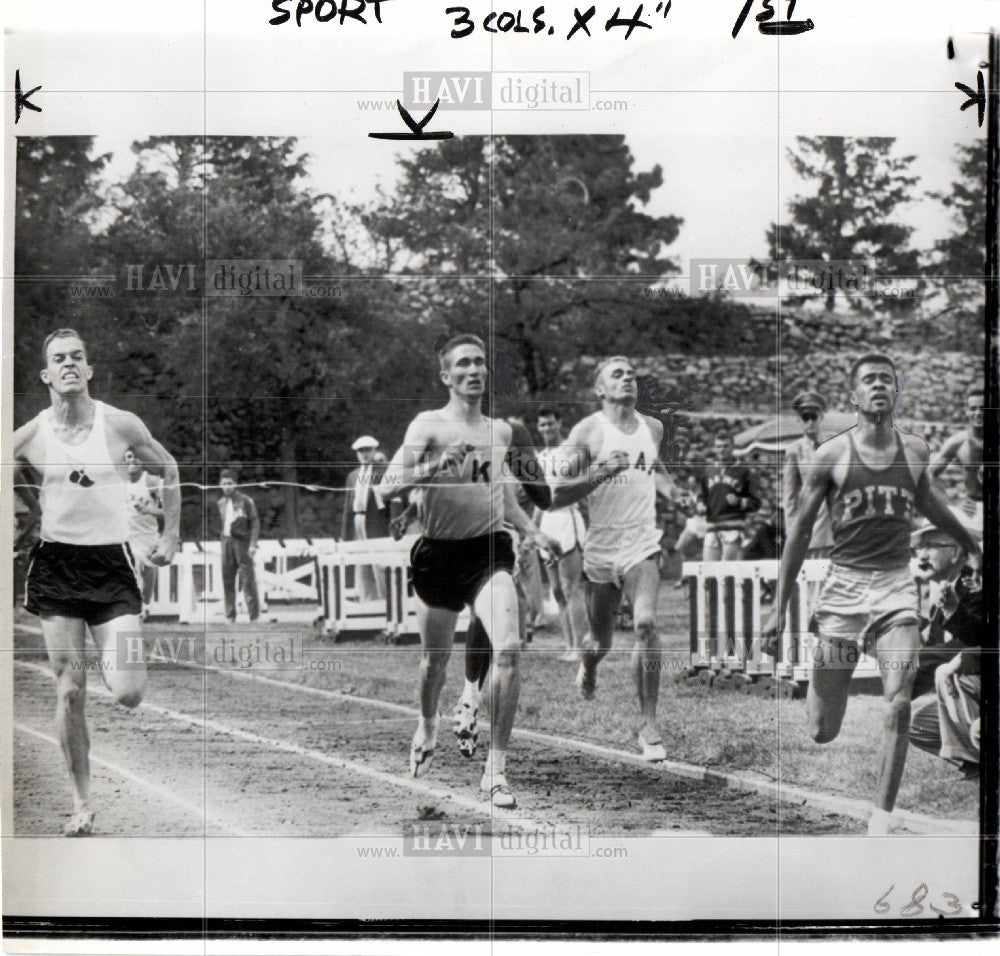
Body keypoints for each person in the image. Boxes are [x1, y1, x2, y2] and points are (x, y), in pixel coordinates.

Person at [762, 353, 981, 835]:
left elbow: (931, 505)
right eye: (869, 380)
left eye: (886, 379)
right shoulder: (831, 456)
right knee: (823, 730)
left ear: (896, 391)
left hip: (895, 589)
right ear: (854, 394)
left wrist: (971, 543)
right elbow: (798, 532)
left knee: (898, 698)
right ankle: (825, 679)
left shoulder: (916, 451)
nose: (878, 385)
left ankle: (880, 818)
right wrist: (778, 609)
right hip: (843, 590)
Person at [14, 328, 180, 835]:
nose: (68, 364)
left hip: (112, 566)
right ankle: (81, 802)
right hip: (56, 567)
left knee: (128, 690)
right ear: (46, 375)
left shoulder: (119, 424)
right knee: (70, 690)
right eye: (59, 359)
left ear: (88, 370)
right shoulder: (27, 437)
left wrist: (171, 535)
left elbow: (169, 466)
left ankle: (120, 668)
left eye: (77, 357)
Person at [378, 334, 551, 808]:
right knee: (435, 661)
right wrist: (436, 466)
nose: (474, 370)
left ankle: (496, 770)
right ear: (446, 376)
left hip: (488, 552)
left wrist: (531, 531)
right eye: (464, 364)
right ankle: (428, 725)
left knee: (509, 649)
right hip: (438, 555)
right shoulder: (427, 425)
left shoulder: (501, 433)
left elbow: (503, 496)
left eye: (480, 363)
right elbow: (387, 489)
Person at [550, 357, 683, 761]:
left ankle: (649, 726)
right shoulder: (588, 431)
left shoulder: (653, 427)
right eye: (617, 374)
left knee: (645, 625)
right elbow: (555, 494)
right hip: (601, 551)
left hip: (642, 545)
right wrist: (599, 473)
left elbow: (654, 467)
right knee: (601, 642)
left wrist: (674, 492)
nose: (627, 379)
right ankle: (588, 667)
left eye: (631, 374)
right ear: (600, 390)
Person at [908, 522, 982, 778]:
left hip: (977, 682)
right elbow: (935, 649)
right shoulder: (944, 587)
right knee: (918, 727)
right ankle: (974, 765)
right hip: (966, 686)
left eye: (931, 546)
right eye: (918, 547)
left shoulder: (976, 583)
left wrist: (904, 676)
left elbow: (978, 641)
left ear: (957, 553)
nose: (922, 555)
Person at [534, 407, 589, 661]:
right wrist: (532, 530)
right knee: (555, 590)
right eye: (542, 425)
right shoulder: (538, 458)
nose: (547, 429)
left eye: (550, 424)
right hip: (547, 521)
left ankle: (580, 646)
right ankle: (568, 645)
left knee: (571, 587)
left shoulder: (570, 451)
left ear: (560, 423)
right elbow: (538, 499)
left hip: (568, 517)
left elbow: (582, 487)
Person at [783, 390, 834, 559]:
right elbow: (790, 496)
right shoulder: (794, 451)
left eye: (814, 416)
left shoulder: (834, 445)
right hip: (809, 526)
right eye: (806, 417)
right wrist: (792, 531)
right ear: (800, 421)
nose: (810, 422)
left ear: (822, 417)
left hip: (834, 524)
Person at [697, 431, 761, 561]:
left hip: (733, 527)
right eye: (719, 446)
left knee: (728, 573)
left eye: (726, 446)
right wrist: (700, 504)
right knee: (709, 572)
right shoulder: (708, 470)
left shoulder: (743, 471)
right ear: (715, 448)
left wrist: (740, 501)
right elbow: (701, 495)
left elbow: (756, 503)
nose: (722, 450)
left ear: (733, 447)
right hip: (712, 527)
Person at [341, 435, 389, 601]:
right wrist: (345, 536)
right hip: (358, 520)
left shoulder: (383, 471)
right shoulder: (353, 476)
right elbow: (348, 507)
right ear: (357, 453)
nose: (364, 454)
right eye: (361, 451)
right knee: (362, 565)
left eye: (368, 450)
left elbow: (393, 501)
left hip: (376, 522)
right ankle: (368, 602)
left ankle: (386, 602)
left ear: (374, 450)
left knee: (379, 565)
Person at [929, 388, 984, 531]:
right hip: (974, 509)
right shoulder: (959, 442)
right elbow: (929, 475)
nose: (978, 413)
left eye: (983, 408)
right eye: (973, 409)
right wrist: (953, 503)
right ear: (967, 411)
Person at [124, 449, 165, 617]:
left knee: (148, 570)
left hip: (148, 534)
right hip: (127, 535)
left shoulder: (151, 481)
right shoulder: (119, 482)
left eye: (136, 457)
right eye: (128, 457)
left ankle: (146, 605)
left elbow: (169, 510)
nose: (132, 461)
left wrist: (149, 509)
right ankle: (131, 606)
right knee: (129, 570)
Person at [217, 469, 261, 624]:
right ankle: (230, 616)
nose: (227, 486)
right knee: (227, 579)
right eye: (224, 484)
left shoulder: (245, 501)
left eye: (230, 483)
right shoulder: (221, 503)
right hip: (227, 542)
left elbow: (255, 522)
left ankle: (254, 616)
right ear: (220, 485)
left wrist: (253, 544)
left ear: (235, 484)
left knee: (248, 580)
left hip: (242, 542)